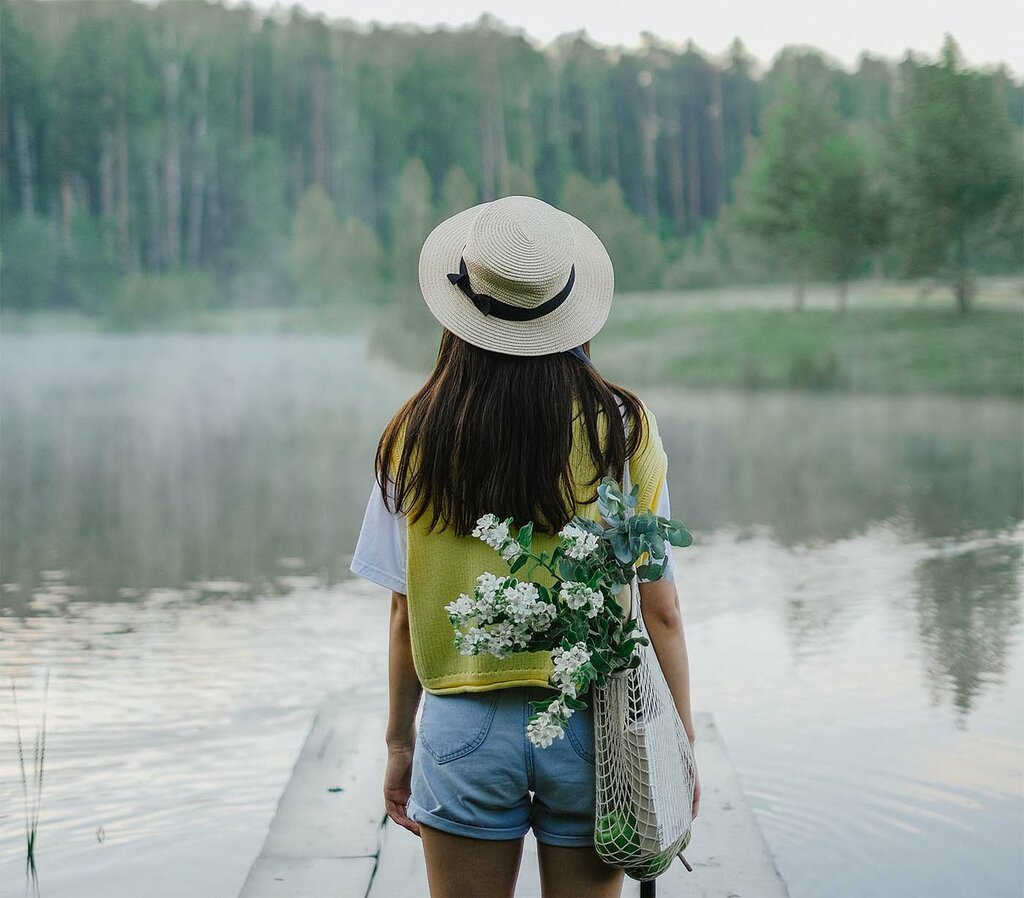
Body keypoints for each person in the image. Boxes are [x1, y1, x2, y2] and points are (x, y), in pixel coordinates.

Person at [350, 195, 700, 898]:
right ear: (569, 304)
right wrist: (680, 747)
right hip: (592, 728)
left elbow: (402, 614)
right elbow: (659, 610)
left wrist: (398, 742)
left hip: (460, 726)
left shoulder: (414, 435)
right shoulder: (624, 430)